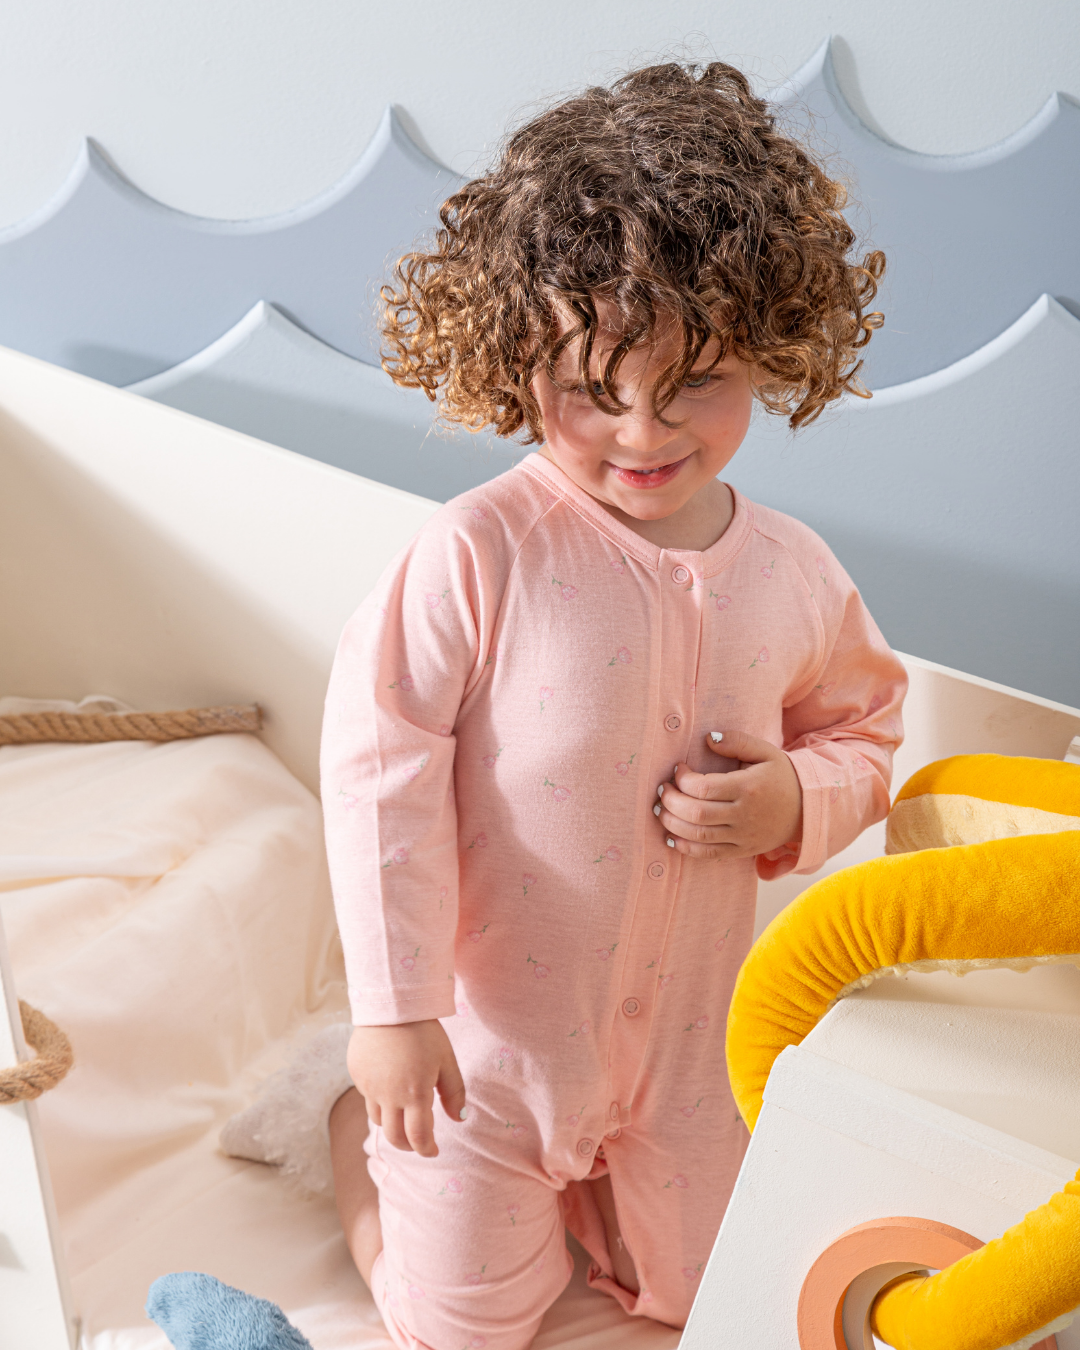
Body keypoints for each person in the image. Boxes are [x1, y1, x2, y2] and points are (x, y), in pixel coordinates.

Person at [321, 59, 906, 1350]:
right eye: (592, 390)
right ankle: (361, 1160)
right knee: (462, 1331)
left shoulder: (795, 571)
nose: (643, 432)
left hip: (694, 1042)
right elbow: (378, 772)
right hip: (490, 1051)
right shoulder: (480, 552)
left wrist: (793, 799)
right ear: (516, 360)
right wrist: (395, 1014)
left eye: (695, 381)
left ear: (771, 350)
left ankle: (603, 1198)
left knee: (720, 1303)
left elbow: (865, 731)